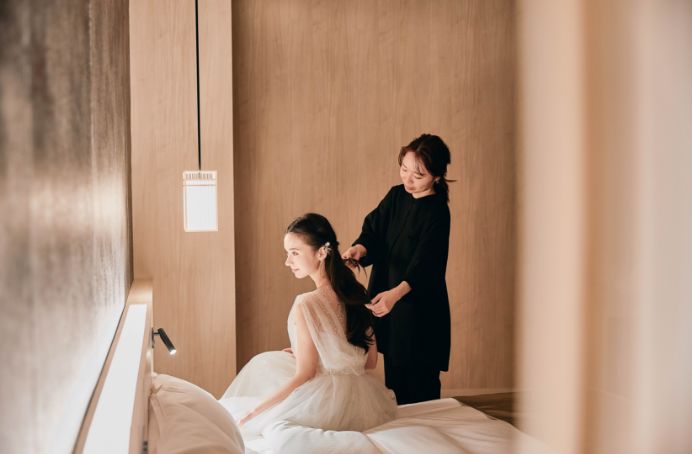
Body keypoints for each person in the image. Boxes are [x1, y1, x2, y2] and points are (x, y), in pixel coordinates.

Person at [220, 213, 397, 435]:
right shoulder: (356, 294)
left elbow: (305, 374)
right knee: (276, 362)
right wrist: (314, 352)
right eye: (287, 253)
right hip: (365, 401)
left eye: (295, 253)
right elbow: (370, 362)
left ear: (321, 253)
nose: (288, 261)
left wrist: (255, 412)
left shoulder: (306, 303)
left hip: (327, 405)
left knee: (261, 366)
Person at [341, 133, 452, 405]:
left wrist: (396, 294)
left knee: (420, 385)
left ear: (437, 176)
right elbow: (374, 230)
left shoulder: (437, 211)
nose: (408, 180)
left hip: (419, 307)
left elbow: (426, 264)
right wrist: (360, 249)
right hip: (389, 300)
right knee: (395, 376)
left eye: (418, 175)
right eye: (404, 169)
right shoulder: (396, 196)